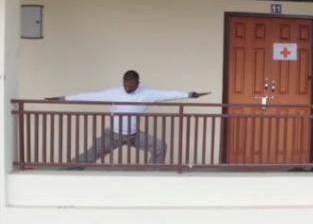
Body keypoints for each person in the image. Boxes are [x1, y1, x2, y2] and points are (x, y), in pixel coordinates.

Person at [47, 70, 208, 165]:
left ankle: (153, 174)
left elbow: (168, 94)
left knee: (160, 146)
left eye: (131, 86)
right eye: (125, 85)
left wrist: (189, 94)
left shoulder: (147, 93)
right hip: (113, 135)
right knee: (91, 154)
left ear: (138, 83)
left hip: (134, 135)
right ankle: (69, 168)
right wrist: (63, 98)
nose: (127, 88)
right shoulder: (114, 92)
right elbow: (89, 96)